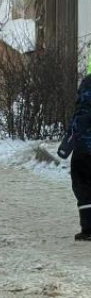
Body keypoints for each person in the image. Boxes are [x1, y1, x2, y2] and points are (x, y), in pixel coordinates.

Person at [58, 74, 91, 241]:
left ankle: (89, 229)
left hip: (86, 147)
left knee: (83, 186)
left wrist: (68, 143)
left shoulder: (88, 84)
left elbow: (82, 117)